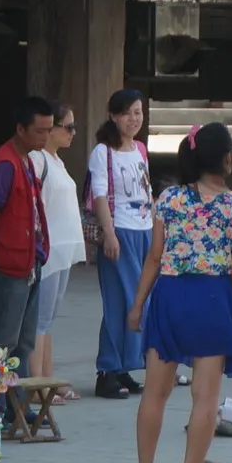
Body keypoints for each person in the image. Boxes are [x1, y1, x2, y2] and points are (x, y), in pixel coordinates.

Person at [128, 122, 232, 463]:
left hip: (169, 295)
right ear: (228, 160)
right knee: (204, 396)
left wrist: (138, 305)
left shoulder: (169, 199)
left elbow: (153, 259)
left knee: (154, 393)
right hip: (213, 299)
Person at [0, 97, 54, 384]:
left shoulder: (26, 160)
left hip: (30, 260)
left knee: (24, 341)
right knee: (3, 340)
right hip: (11, 261)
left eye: (49, 130)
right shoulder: (5, 163)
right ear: (21, 129)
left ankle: (16, 404)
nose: (45, 136)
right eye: (40, 130)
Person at [89, 88, 154, 399]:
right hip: (120, 232)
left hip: (144, 230)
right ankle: (107, 370)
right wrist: (109, 232)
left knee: (141, 301)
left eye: (138, 112)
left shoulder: (140, 148)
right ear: (114, 116)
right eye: (127, 113)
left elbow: (146, 192)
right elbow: (99, 194)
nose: (134, 119)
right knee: (121, 302)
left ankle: (126, 366)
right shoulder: (103, 151)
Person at [29, 103, 86, 391]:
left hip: (63, 247)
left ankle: (48, 379)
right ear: (50, 129)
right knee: (40, 318)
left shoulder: (56, 160)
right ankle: (37, 384)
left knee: (48, 318)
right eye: (69, 126)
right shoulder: (37, 159)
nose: (73, 132)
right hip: (48, 249)